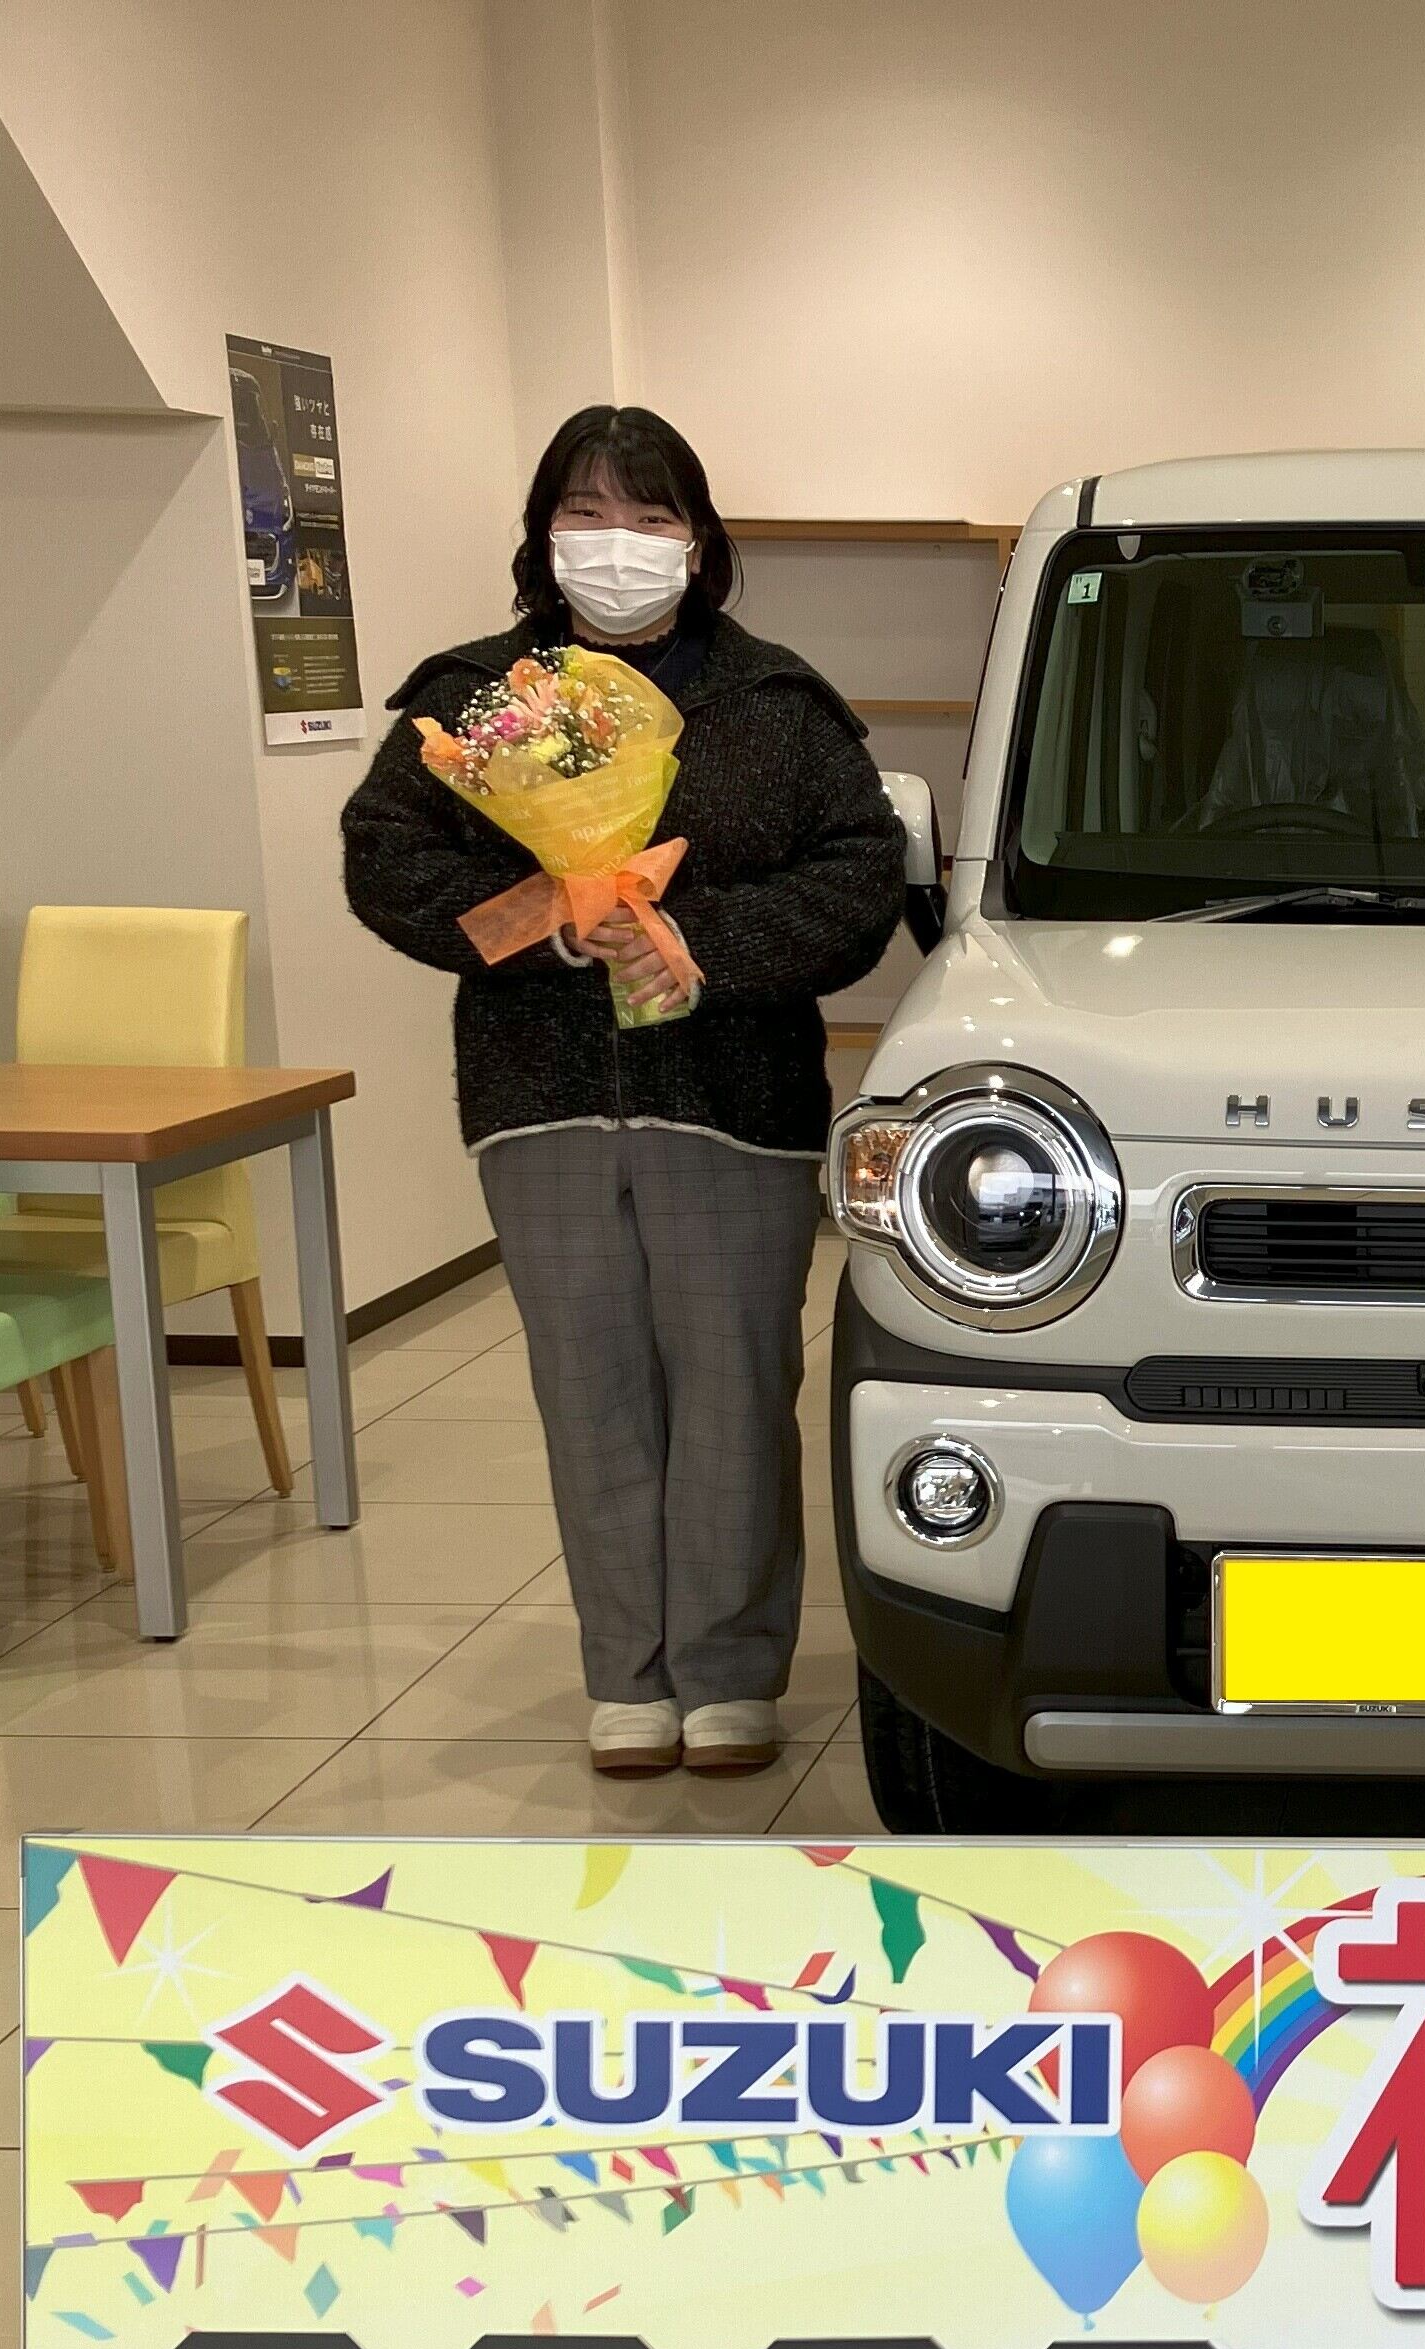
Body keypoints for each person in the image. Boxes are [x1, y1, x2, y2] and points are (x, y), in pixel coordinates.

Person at [344, 405, 904, 1779]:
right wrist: (548, 911)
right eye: (587, 512)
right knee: (588, 1386)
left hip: (734, 1096)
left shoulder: (778, 702)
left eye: (651, 516)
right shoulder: (480, 698)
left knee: (734, 1385)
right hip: (540, 1094)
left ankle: (730, 1671)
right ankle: (628, 1673)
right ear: (544, 534)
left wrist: (694, 940)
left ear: (698, 542)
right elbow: (384, 854)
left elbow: (858, 875)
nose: (618, 542)